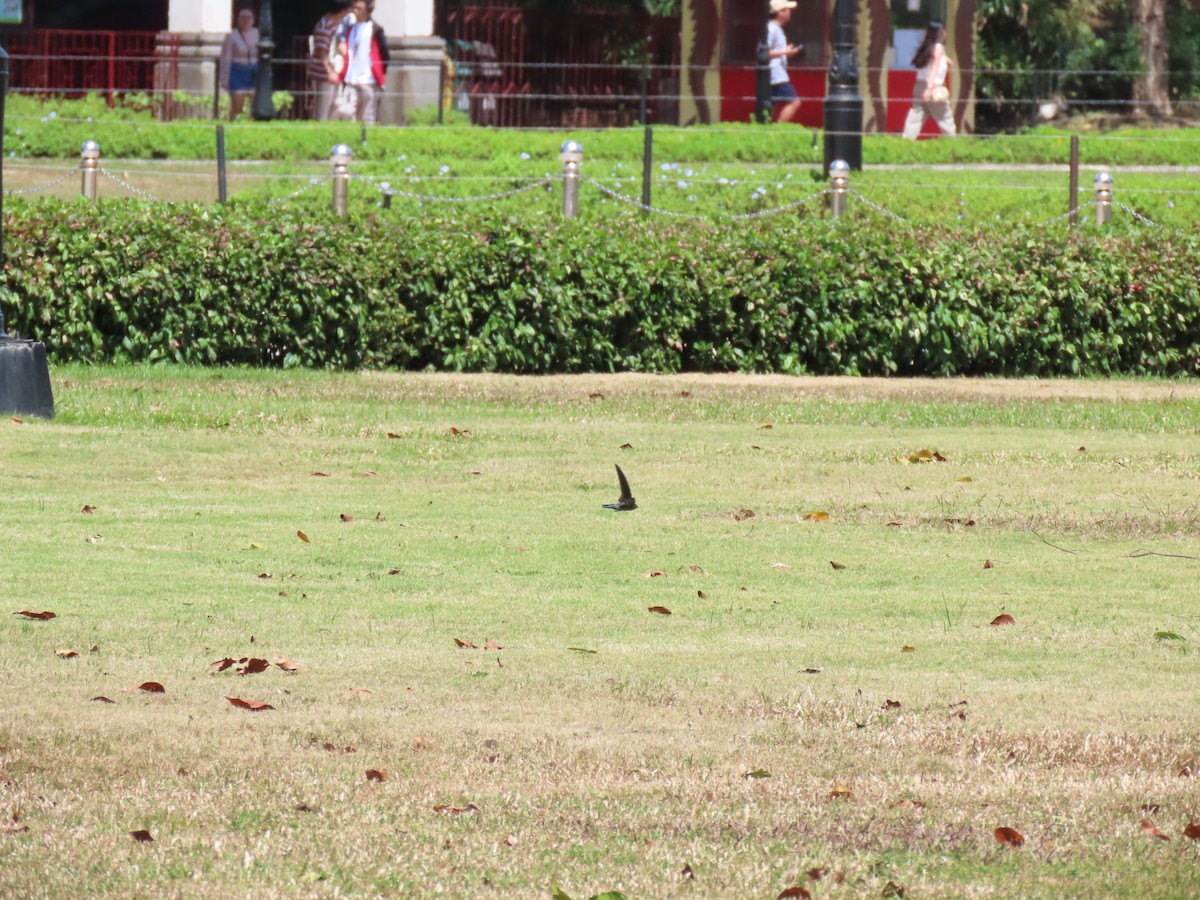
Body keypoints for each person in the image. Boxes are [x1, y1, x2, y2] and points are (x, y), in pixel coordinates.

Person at [902, 22, 956, 140]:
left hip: (919, 85)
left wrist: (945, 59)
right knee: (945, 118)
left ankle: (905, 143)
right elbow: (934, 69)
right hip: (933, 86)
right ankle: (954, 145)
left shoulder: (926, 47)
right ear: (940, 33)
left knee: (915, 117)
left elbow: (931, 61)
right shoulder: (939, 48)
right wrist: (929, 89)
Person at [337, 0, 386, 125]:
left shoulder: (375, 29)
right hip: (352, 77)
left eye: (358, 8)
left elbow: (384, 54)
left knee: (368, 116)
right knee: (346, 111)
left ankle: (366, 142)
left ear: (367, 9)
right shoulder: (351, 28)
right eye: (353, 8)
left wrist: (379, 73)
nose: (354, 11)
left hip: (369, 79)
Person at [308, 1, 354, 121]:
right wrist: (330, 72)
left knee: (335, 106)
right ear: (343, 11)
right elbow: (321, 52)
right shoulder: (325, 26)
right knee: (322, 109)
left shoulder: (340, 25)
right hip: (323, 75)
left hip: (336, 72)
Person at [219, 7, 259, 120]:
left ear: (253, 20)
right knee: (237, 106)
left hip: (253, 70)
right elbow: (225, 58)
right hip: (237, 71)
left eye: (249, 17)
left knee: (255, 104)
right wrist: (224, 79)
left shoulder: (258, 34)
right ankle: (233, 124)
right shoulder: (232, 36)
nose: (246, 20)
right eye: (243, 17)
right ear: (237, 19)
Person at [767, 0, 802, 123]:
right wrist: (785, 52)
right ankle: (778, 129)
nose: (790, 13)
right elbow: (764, 52)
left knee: (770, 105)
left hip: (776, 73)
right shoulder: (771, 29)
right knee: (794, 102)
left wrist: (786, 52)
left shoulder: (776, 28)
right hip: (776, 74)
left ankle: (765, 130)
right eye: (787, 10)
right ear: (780, 12)